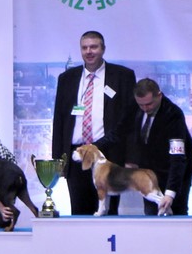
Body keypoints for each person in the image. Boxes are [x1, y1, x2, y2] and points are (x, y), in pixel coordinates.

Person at [52, 31, 137, 215]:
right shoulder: (66, 79)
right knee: (79, 212)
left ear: (103, 49)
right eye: (84, 48)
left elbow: (130, 121)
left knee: (107, 212)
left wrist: (131, 157)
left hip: (109, 155)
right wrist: (58, 160)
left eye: (94, 47)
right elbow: (59, 121)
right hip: (77, 155)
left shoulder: (123, 76)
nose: (89, 51)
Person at [127, 78, 192, 216]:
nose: (145, 109)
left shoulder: (173, 114)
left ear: (159, 95)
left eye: (149, 104)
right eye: (141, 105)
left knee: (177, 213)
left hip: (177, 172)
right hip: (150, 173)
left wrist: (170, 194)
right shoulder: (137, 108)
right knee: (151, 215)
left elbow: (177, 158)